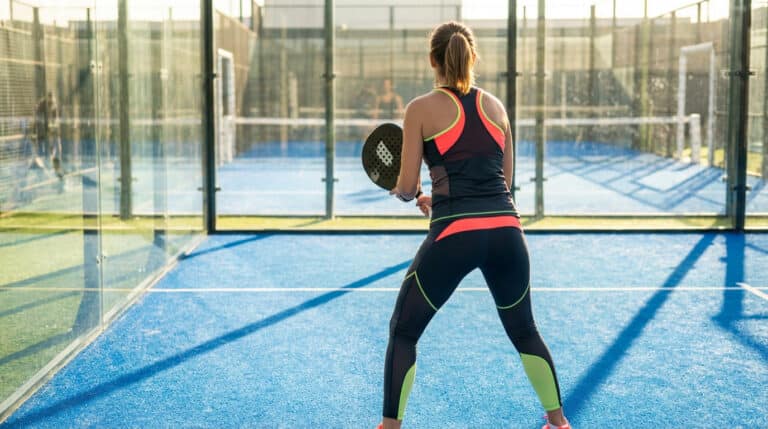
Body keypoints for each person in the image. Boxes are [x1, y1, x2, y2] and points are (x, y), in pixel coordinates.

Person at [377, 22, 570, 429]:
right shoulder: (497, 108)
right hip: (507, 234)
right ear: (472, 57)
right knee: (525, 331)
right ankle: (558, 422)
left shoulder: (419, 108)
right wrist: (443, 201)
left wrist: (406, 193)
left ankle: (390, 427)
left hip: (454, 236)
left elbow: (409, 185)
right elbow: (503, 182)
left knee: (404, 331)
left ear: (432, 59)